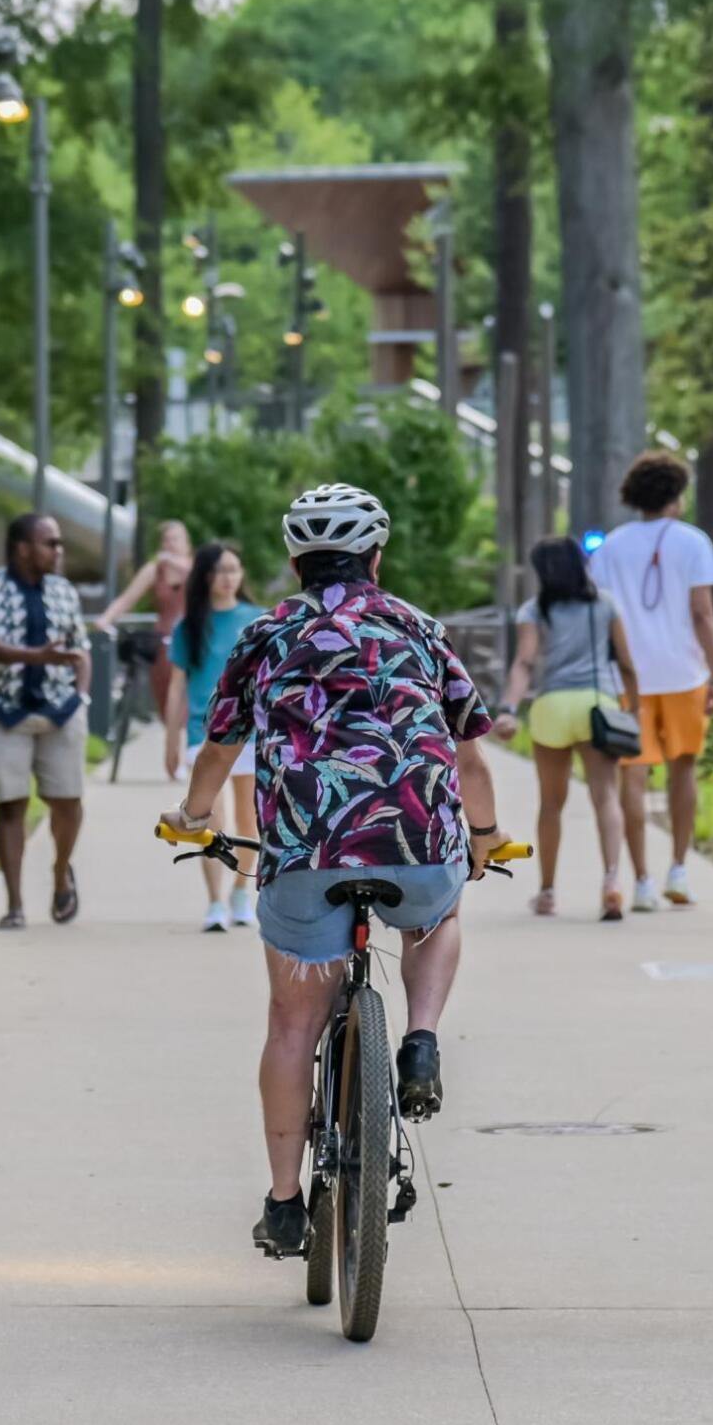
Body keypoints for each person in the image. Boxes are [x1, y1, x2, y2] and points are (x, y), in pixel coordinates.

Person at [172, 483, 503, 1259]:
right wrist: (482, 838)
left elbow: (221, 749)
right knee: (441, 913)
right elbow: (470, 755)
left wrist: (193, 817)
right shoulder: (418, 628)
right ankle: (420, 1039)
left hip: (303, 856)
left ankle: (285, 1204)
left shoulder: (263, 633)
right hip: (416, 847)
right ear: (376, 558)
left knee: (292, 1023)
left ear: (293, 560)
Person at [586, 450, 713, 912]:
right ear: (676, 496)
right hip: (685, 673)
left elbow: (599, 615)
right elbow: (703, 613)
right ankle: (679, 869)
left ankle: (641, 880)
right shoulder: (694, 542)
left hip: (628, 677)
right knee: (684, 768)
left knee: (634, 777)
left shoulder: (609, 547)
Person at [491, 536, 640, 920]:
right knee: (606, 796)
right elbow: (626, 663)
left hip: (553, 708)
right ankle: (611, 881)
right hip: (598, 708)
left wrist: (508, 707)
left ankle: (547, 892)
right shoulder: (605, 604)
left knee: (551, 805)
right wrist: (633, 709)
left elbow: (524, 663)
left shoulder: (533, 610)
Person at [0, 512, 90, 931]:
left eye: (58, 543)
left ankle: (60, 872)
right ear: (23, 548)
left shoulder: (63, 591)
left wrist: (81, 696)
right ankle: (15, 904)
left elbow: (80, 649)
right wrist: (33, 657)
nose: (58, 550)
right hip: (3, 710)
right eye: (49, 542)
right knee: (11, 804)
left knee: (68, 800)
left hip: (60, 708)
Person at [166, 540, 264, 932]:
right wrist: (170, 739)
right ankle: (214, 901)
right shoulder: (189, 626)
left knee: (248, 816)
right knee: (209, 818)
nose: (228, 578)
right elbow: (177, 685)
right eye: (221, 570)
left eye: (234, 570)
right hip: (201, 733)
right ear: (205, 576)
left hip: (252, 733)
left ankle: (241, 890)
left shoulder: (258, 620)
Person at [100, 519, 195, 778]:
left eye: (176, 539)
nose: (170, 545)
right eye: (166, 540)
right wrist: (105, 620)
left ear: (186, 543)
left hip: (195, 641)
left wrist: (175, 561)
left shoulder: (195, 567)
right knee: (166, 701)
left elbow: (198, 578)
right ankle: (174, 750)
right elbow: (127, 599)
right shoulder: (155, 570)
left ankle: (189, 754)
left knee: (190, 699)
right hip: (164, 642)